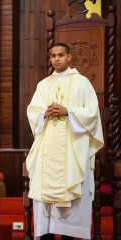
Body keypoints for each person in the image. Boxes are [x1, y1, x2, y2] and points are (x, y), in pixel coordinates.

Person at [26, 42, 104, 240]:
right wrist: (45, 113)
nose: (57, 59)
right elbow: (33, 112)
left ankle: (68, 234)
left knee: (70, 188)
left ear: (69, 58)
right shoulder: (43, 85)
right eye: (53, 56)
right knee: (45, 197)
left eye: (61, 55)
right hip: (48, 149)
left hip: (72, 148)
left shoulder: (82, 83)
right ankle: (47, 234)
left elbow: (92, 114)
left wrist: (68, 111)